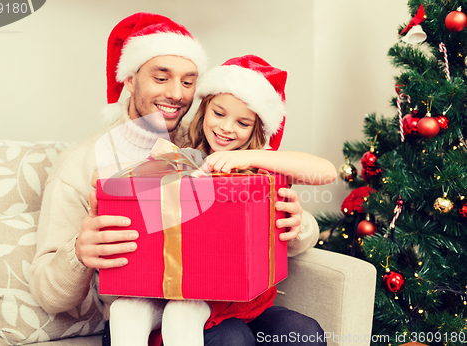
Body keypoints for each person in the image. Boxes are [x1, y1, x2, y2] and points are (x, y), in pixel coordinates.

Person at [28, 12, 327, 346]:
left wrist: (296, 223)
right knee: (229, 336)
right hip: (145, 311)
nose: (176, 94)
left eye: (188, 82)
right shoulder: (82, 163)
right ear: (129, 79)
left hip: (224, 299)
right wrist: (78, 253)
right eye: (161, 78)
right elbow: (49, 296)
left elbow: (285, 197)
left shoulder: (208, 140)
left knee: (301, 333)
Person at [106, 55, 336, 346]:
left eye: (242, 122)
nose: (227, 128)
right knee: (135, 309)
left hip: (243, 300)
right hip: (181, 288)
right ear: (204, 110)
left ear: (256, 130)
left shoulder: (262, 170)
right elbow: (113, 186)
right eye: (219, 113)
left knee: (302, 332)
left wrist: (246, 156)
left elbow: (326, 172)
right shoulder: (182, 156)